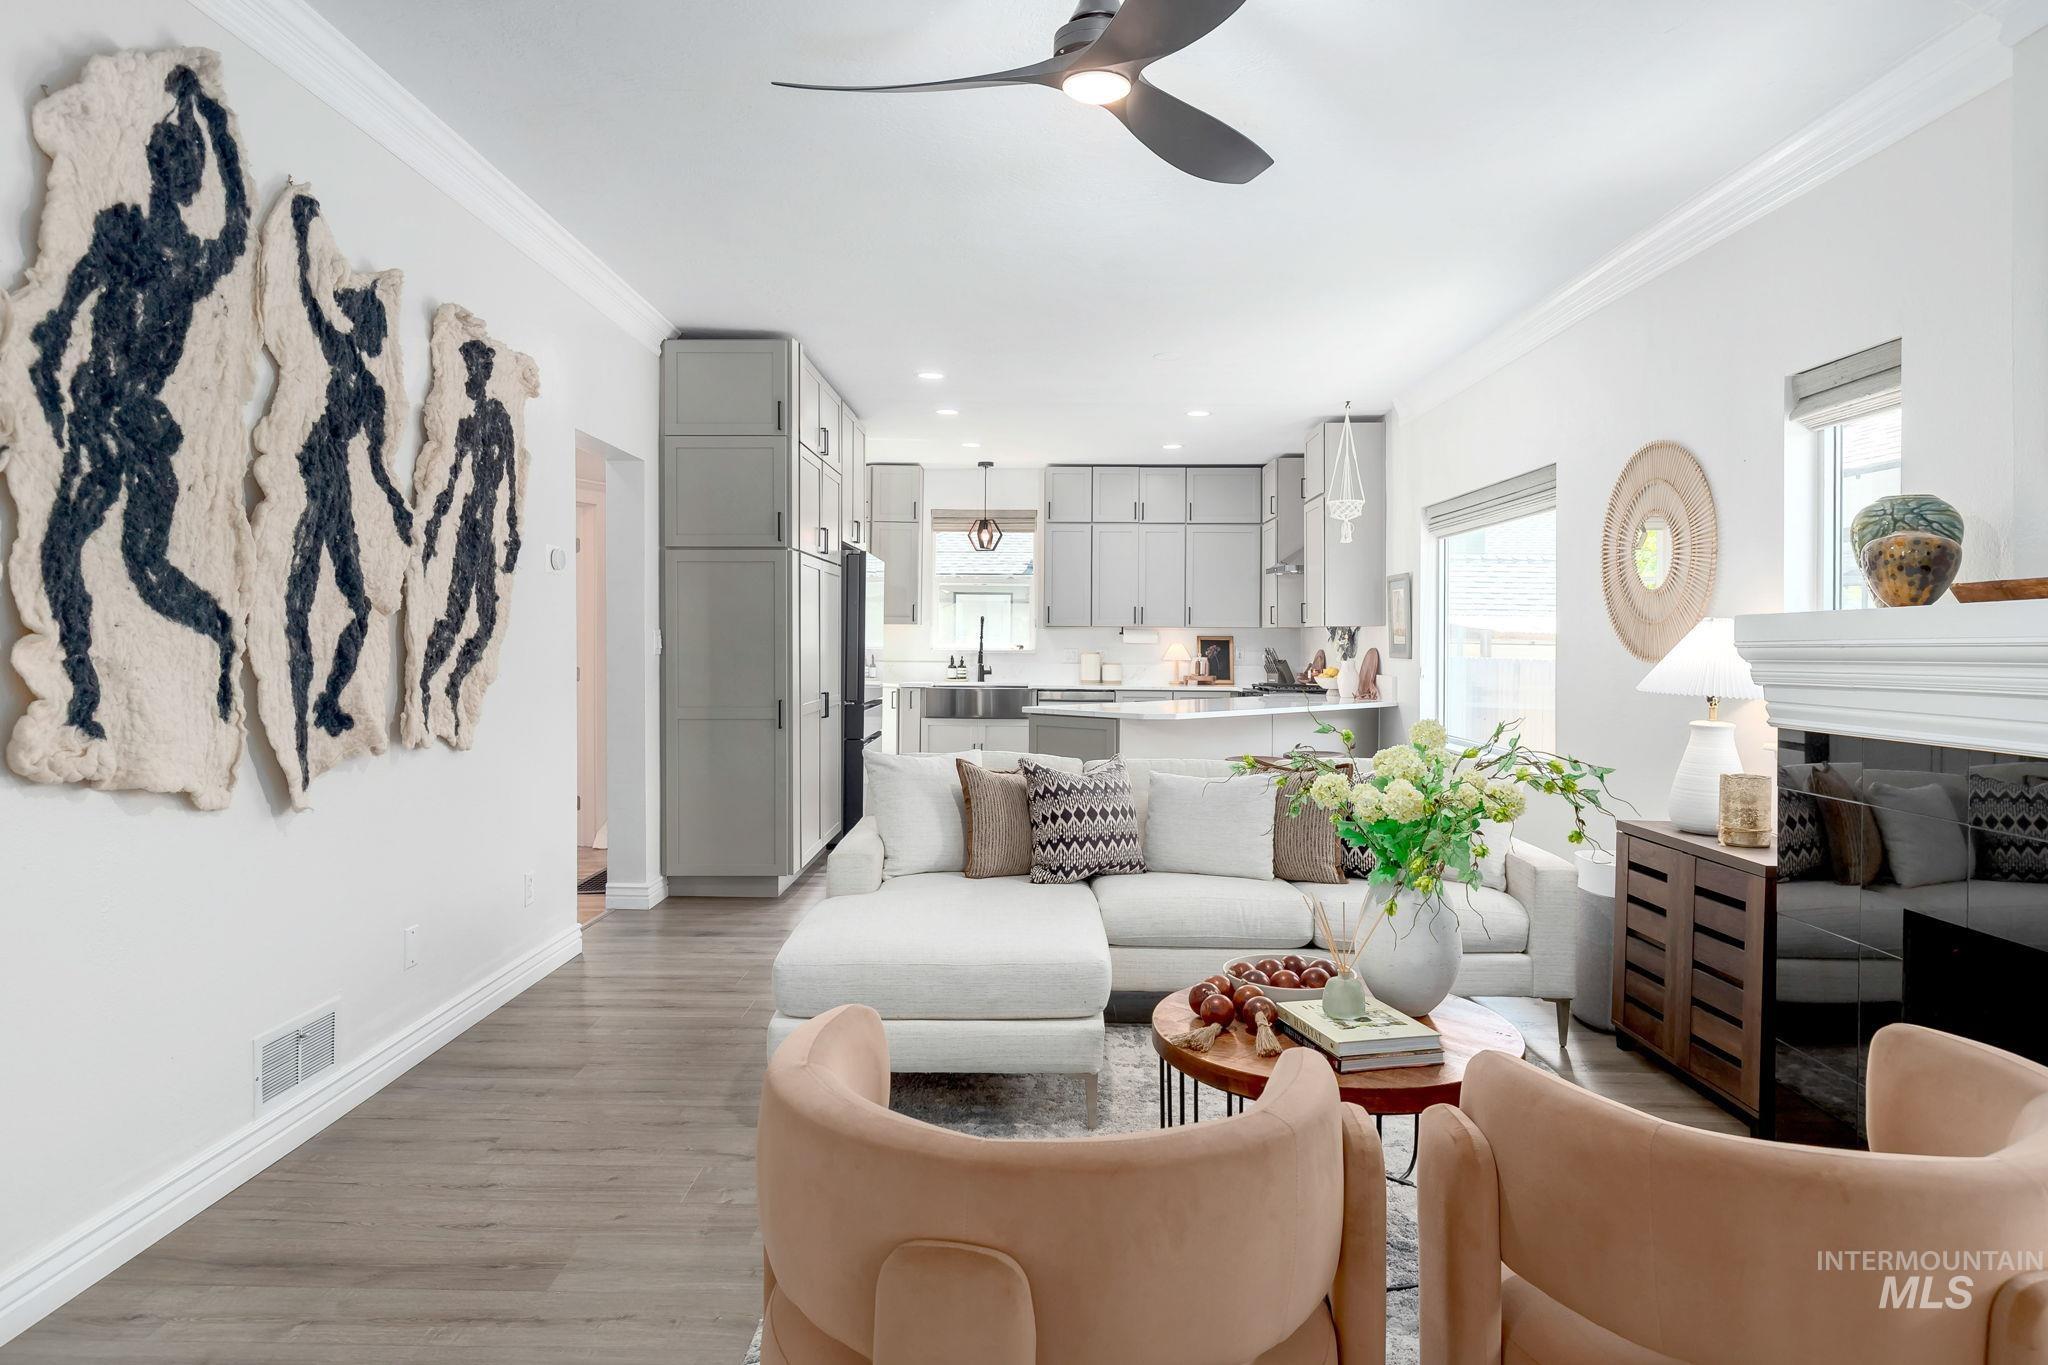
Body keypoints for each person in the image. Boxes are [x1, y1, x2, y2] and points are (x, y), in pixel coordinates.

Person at [28, 64, 249, 740]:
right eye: (170, 153)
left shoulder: (189, 260)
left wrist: (213, 115)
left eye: (181, 158)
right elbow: (63, 315)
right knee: (67, 549)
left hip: (136, 422)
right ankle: (83, 688)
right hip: (103, 414)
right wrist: (49, 375)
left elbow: (238, 220)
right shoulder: (124, 235)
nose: (173, 166)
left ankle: (220, 636)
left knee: (144, 568)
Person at [280, 191, 412, 786]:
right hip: (314, 484)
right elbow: (310, 304)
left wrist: (396, 506)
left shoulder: (374, 391)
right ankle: (298, 715)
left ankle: (328, 700)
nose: (373, 334)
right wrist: (303, 229)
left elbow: (378, 460)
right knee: (300, 598)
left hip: (343, 501)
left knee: (357, 606)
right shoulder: (335, 353)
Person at [416, 339, 520, 738]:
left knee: (486, 623)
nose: (473, 377)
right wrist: (432, 529)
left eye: (477, 370)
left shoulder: (499, 417)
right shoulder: (465, 425)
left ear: (485, 372)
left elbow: (511, 476)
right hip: (469, 532)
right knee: (456, 617)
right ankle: (426, 685)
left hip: (487, 531)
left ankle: (454, 682)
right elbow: (451, 481)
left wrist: (511, 527)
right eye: (470, 370)